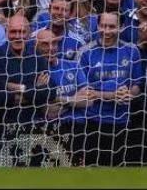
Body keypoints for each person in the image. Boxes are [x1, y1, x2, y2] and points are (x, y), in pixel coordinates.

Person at [77, 12, 145, 166]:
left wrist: (128, 93)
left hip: (123, 122)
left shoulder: (132, 51)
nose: (106, 31)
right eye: (103, 26)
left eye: (112, 26)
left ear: (121, 27)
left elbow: (137, 85)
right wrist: (112, 95)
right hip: (93, 122)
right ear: (97, 26)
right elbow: (83, 92)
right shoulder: (85, 52)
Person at [35, 29, 91, 166]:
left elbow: (89, 100)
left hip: (76, 129)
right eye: (45, 44)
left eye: (54, 43)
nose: (51, 48)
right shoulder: (33, 71)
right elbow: (49, 112)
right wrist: (74, 99)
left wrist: (58, 100)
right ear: (35, 46)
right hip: (46, 131)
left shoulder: (73, 66)